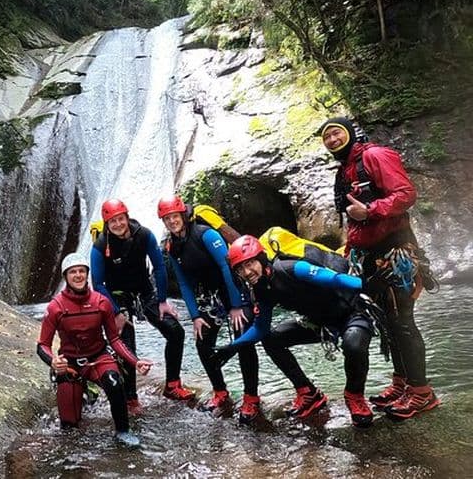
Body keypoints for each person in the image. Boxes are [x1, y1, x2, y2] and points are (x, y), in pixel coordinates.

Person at [318, 116, 439, 420]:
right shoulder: (344, 172)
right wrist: (350, 255)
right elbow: (353, 222)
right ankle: (402, 384)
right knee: (388, 322)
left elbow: (406, 194)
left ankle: (422, 393)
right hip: (368, 256)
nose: (332, 140)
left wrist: (371, 209)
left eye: (336, 133)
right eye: (326, 137)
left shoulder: (374, 156)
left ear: (349, 133)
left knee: (402, 322)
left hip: (394, 252)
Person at [214, 235, 376, 427]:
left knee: (353, 344)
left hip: (351, 313)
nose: (247, 272)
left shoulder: (291, 268)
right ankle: (308, 393)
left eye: (250, 264)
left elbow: (334, 279)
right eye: (240, 268)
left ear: (261, 258)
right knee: (271, 339)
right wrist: (232, 347)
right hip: (320, 323)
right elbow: (260, 329)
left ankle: (354, 395)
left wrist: (365, 285)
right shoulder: (261, 289)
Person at [157, 196, 261, 423]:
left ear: (183, 215)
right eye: (167, 219)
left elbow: (226, 267)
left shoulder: (206, 234)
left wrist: (235, 305)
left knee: (243, 340)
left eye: (175, 216)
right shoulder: (172, 246)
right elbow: (183, 283)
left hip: (233, 289)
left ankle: (251, 397)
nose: (172, 221)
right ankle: (220, 392)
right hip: (210, 297)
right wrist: (194, 316)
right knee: (203, 342)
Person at [37, 252, 152, 447]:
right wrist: (53, 362)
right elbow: (43, 345)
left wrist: (135, 361)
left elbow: (114, 339)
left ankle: (122, 433)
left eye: (82, 271)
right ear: (66, 277)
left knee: (114, 383)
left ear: (87, 274)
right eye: (73, 272)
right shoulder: (55, 307)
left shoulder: (102, 302)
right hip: (70, 364)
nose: (78, 275)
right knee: (69, 427)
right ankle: (84, 396)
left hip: (98, 358)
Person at [90, 199, 194, 413]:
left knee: (175, 332)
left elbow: (158, 267)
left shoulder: (144, 235)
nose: (118, 224)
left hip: (144, 290)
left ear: (127, 218)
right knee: (127, 343)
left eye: (121, 219)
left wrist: (163, 300)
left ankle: (173, 385)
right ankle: (130, 398)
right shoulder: (101, 245)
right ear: (107, 224)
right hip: (117, 296)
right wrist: (116, 312)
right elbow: (98, 284)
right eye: (113, 221)